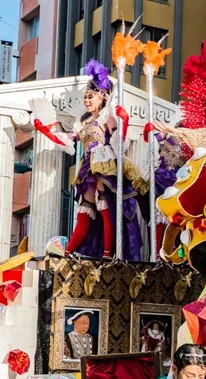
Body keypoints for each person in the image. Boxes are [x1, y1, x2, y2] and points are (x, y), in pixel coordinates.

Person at [66, 60, 149, 260]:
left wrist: (125, 121)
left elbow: (119, 143)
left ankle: (107, 253)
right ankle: (67, 252)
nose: (86, 100)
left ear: (101, 97)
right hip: (88, 167)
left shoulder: (108, 119)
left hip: (104, 166)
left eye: (90, 96)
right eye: (85, 96)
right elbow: (68, 140)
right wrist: (46, 131)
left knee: (105, 209)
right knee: (85, 211)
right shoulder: (85, 123)